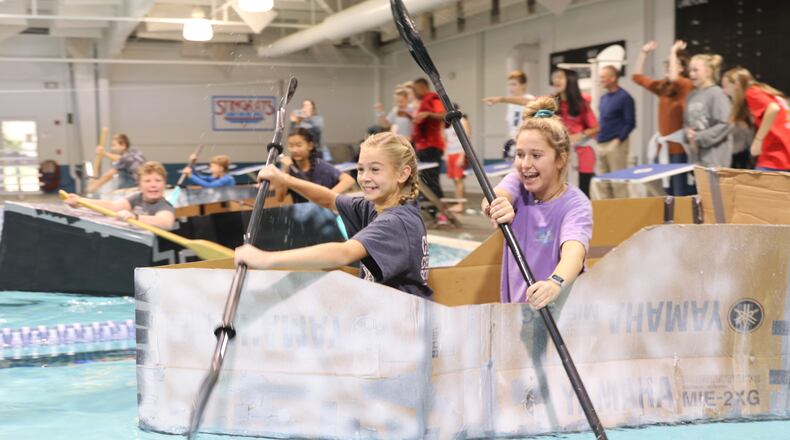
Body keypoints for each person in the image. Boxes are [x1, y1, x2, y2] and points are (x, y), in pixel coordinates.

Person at [235, 132, 432, 298]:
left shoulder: (396, 221)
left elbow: (343, 253)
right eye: (360, 169)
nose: (364, 178)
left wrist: (266, 259)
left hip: (403, 327)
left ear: (402, 174)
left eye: (375, 169)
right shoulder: (375, 207)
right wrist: (284, 179)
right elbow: (329, 199)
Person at [482, 97, 592, 307]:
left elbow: (574, 253)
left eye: (536, 155)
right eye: (520, 154)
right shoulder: (518, 183)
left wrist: (554, 283)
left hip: (559, 313)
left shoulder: (576, 205)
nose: (525, 164)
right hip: (516, 311)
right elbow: (495, 196)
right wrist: (497, 205)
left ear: (560, 159)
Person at [632, 40, 694, 195]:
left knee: (679, 191)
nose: (668, 65)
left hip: (679, 148)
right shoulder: (663, 87)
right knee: (667, 191)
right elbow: (637, 77)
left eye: (672, 62)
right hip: (663, 148)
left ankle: (683, 218)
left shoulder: (686, 85)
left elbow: (674, 78)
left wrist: (673, 51)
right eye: (667, 62)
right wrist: (643, 53)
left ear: (683, 68)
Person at [65, 161, 175, 230]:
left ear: (164, 184)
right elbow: (113, 206)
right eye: (147, 181)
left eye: (158, 180)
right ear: (139, 185)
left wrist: (135, 218)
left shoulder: (164, 206)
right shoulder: (137, 198)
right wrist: (81, 202)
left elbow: (165, 222)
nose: (153, 185)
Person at [723, 67, 790, 172]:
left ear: (736, 85)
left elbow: (773, 108)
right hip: (781, 152)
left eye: (725, 86)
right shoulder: (762, 91)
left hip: (777, 154)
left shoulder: (751, 92)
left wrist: (758, 140)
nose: (725, 91)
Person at [551, 68, 599, 197]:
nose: (556, 80)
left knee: (583, 193)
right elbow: (529, 102)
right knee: (560, 192)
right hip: (562, 154)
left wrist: (580, 135)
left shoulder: (582, 103)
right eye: (555, 77)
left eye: (560, 77)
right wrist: (501, 99)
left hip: (583, 154)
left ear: (570, 80)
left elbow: (595, 127)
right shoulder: (552, 101)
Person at [275, 128, 355, 203]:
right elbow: (280, 198)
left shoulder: (320, 165)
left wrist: (327, 197)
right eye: (291, 146)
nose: (295, 150)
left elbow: (349, 180)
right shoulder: (288, 168)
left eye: (299, 145)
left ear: (310, 146)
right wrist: (285, 171)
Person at [684, 48, 733, 170]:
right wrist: (688, 134)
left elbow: (726, 123)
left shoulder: (717, 94)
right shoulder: (691, 96)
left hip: (715, 159)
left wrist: (698, 137)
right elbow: (686, 123)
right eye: (690, 70)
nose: (691, 74)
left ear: (708, 72)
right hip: (697, 159)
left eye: (695, 70)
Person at [596, 65, 636, 199]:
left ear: (613, 78)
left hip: (616, 144)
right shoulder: (603, 98)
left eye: (603, 77)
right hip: (601, 143)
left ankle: (622, 217)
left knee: (618, 183)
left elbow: (630, 123)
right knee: (603, 183)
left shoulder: (625, 97)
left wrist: (617, 140)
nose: (600, 79)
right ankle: (608, 216)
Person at [411, 77, 447, 222]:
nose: (414, 92)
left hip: (431, 146)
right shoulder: (422, 103)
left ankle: (440, 212)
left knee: (432, 180)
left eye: (415, 89)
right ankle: (431, 211)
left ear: (422, 86)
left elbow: (444, 115)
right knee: (424, 181)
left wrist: (428, 114)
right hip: (422, 146)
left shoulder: (432, 98)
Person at [483, 70, 536, 159]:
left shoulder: (530, 99)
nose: (511, 87)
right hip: (514, 143)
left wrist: (500, 99)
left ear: (523, 85)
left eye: (514, 84)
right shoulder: (511, 105)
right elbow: (511, 127)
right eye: (509, 84)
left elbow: (527, 102)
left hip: (527, 142)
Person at [444, 103, 471, 213]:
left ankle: (460, 204)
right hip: (450, 154)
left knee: (458, 179)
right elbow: (445, 140)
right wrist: (446, 155)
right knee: (455, 181)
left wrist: (462, 155)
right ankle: (457, 203)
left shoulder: (462, 121)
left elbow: (466, 139)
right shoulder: (447, 123)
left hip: (459, 153)